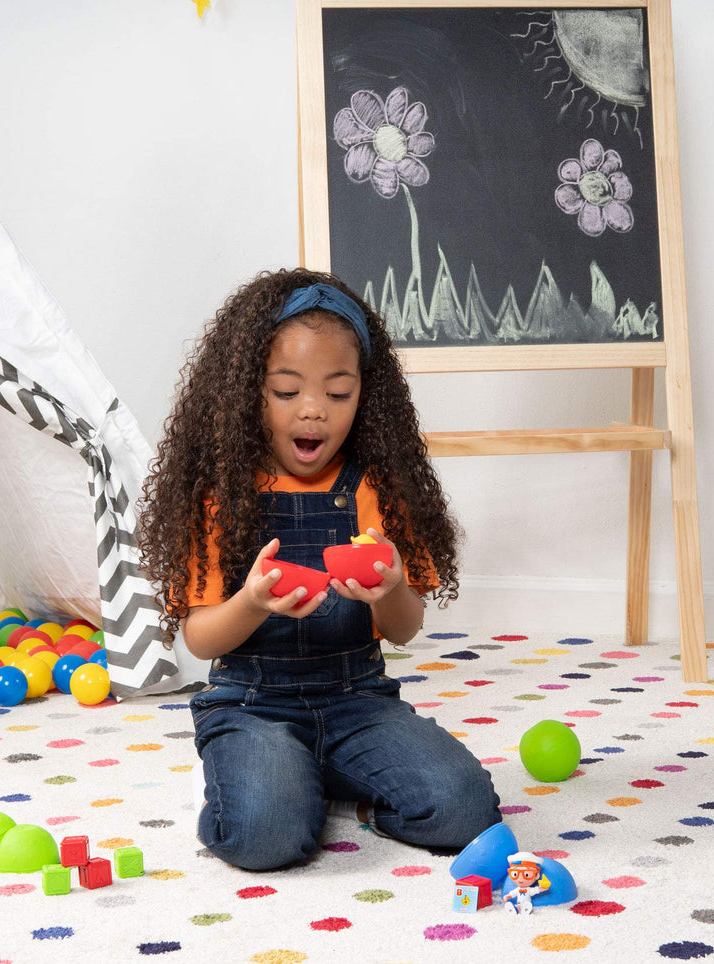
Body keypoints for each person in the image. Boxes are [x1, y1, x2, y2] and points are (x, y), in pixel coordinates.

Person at [138, 268, 502, 871]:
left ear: (365, 396)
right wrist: (251, 602)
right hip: (252, 704)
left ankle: (332, 789)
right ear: (248, 392)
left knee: (465, 809)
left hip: (358, 700)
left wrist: (390, 588)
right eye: (287, 392)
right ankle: (267, 782)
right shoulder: (221, 492)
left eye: (338, 394)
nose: (313, 411)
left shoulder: (377, 488)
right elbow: (200, 639)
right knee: (266, 837)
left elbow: (405, 629)